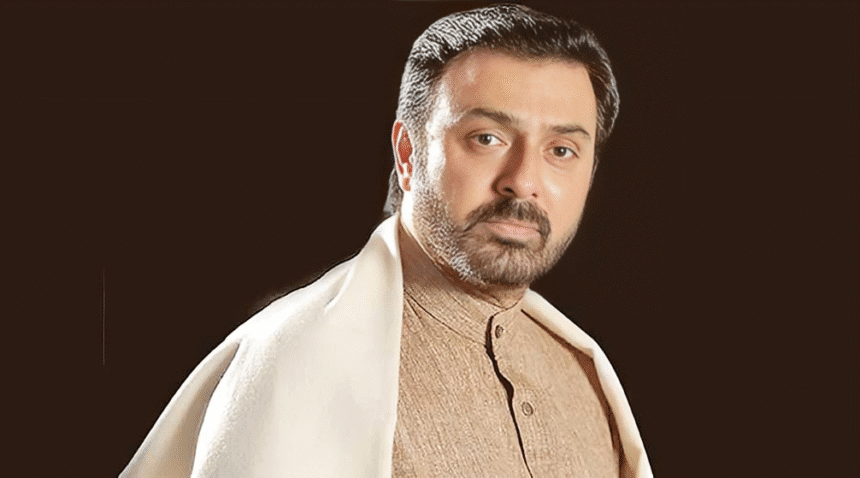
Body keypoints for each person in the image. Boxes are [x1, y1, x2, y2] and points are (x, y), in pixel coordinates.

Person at [122, 4, 651, 477]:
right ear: (407, 154)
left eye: (561, 150)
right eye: (487, 138)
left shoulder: (583, 376)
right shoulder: (296, 364)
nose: (523, 180)